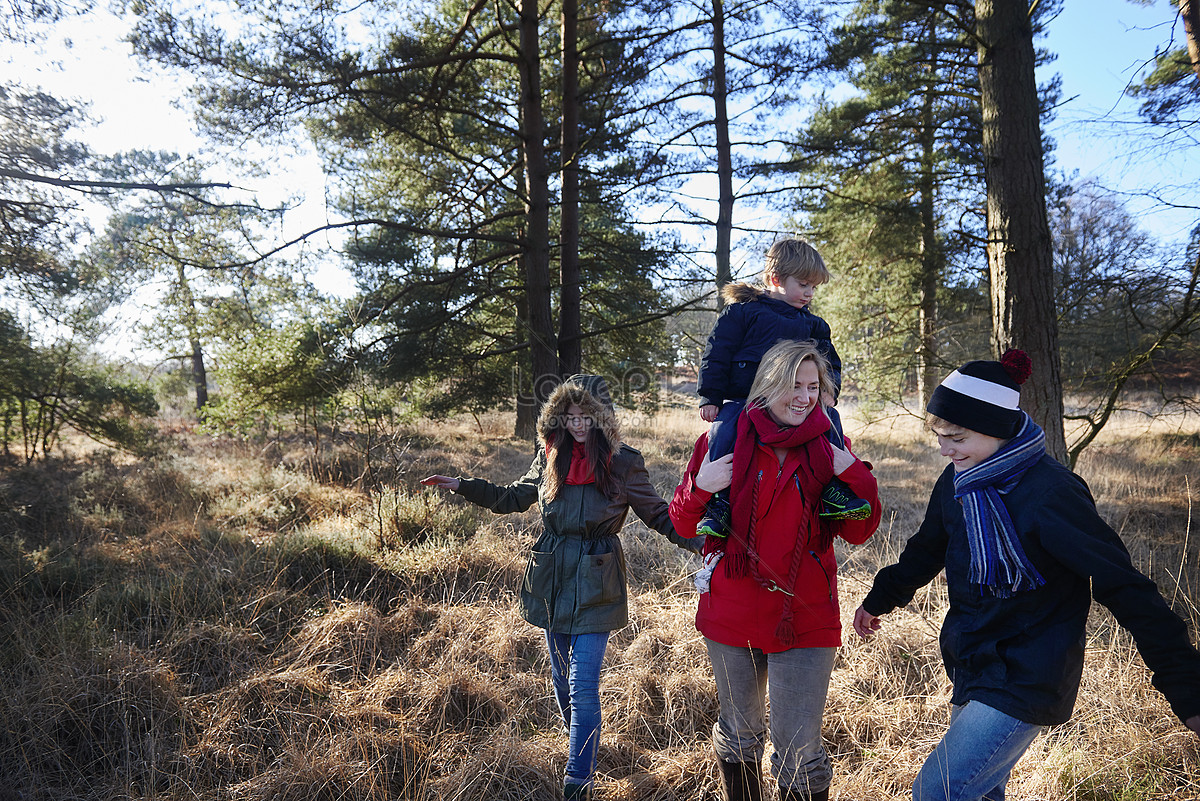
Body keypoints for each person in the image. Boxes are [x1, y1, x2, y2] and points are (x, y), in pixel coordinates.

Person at [852, 350, 1200, 801]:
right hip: (972, 660)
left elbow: (1124, 586)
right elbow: (926, 550)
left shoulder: (1051, 493)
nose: (944, 449)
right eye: (938, 436)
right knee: (982, 792)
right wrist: (879, 598)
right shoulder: (958, 477)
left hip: (1029, 672)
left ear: (996, 428)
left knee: (937, 792)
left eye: (955, 437)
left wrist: (1185, 685)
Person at [422, 374, 697, 801]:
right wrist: (462, 485)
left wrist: (705, 543)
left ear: (601, 417)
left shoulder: (625, 463)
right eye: (569, 416)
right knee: (560, 678)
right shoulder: (549, 453)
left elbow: (660, 515)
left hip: (597, 579)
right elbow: (512, 498)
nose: (578, 424)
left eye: (586, 415)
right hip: (551, 576)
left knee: (583, 682)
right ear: (559, 417)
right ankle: (582, 742)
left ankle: (577, 779)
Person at [670, 339, 882, 801]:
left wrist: (857, 475)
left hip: (804, 616)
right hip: (732, 610)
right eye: (794, 385)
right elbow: (684, 522)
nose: (805, 397)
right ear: (767, 384)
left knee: (799, 752)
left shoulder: (830, 447)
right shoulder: (718, 442)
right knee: (740, 730)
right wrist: (700, 486)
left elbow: (859, 532)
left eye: (813, 386)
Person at [696, 237, 868, 550]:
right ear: (775, 279)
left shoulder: (813, 325)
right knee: (725, 425)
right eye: (803, 284)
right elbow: (717, 354)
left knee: (830, 418)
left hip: (796, 402)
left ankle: (833, 487)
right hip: (746, 399)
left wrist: (831, 391)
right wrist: (711, 397)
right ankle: (720, 501)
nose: (809, 293)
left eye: (814, 288)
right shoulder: (742, 314)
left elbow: (829, 362)